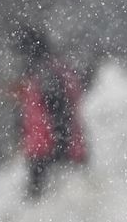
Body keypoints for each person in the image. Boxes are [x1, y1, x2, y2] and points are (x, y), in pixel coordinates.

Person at [14, 25, 86, 200]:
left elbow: (59, 113)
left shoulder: (45, 74)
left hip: (48, 154)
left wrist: (59, 149)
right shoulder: (56, 70)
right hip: (61, 150)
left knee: (46, 206)